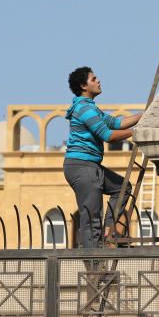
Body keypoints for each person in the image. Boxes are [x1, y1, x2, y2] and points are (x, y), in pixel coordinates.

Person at [63, 66, 143, 247]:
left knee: (122, 188)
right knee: (91, 220)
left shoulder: (91, 108)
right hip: (82, 166)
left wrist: (144, 115)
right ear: (84, 86)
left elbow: (117, 123)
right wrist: (137, 131)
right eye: (94, 79)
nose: (98, 81)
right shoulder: (83, 109)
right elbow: (108, 135)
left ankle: (109, 231)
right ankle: (95, 270)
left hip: (91, 166)